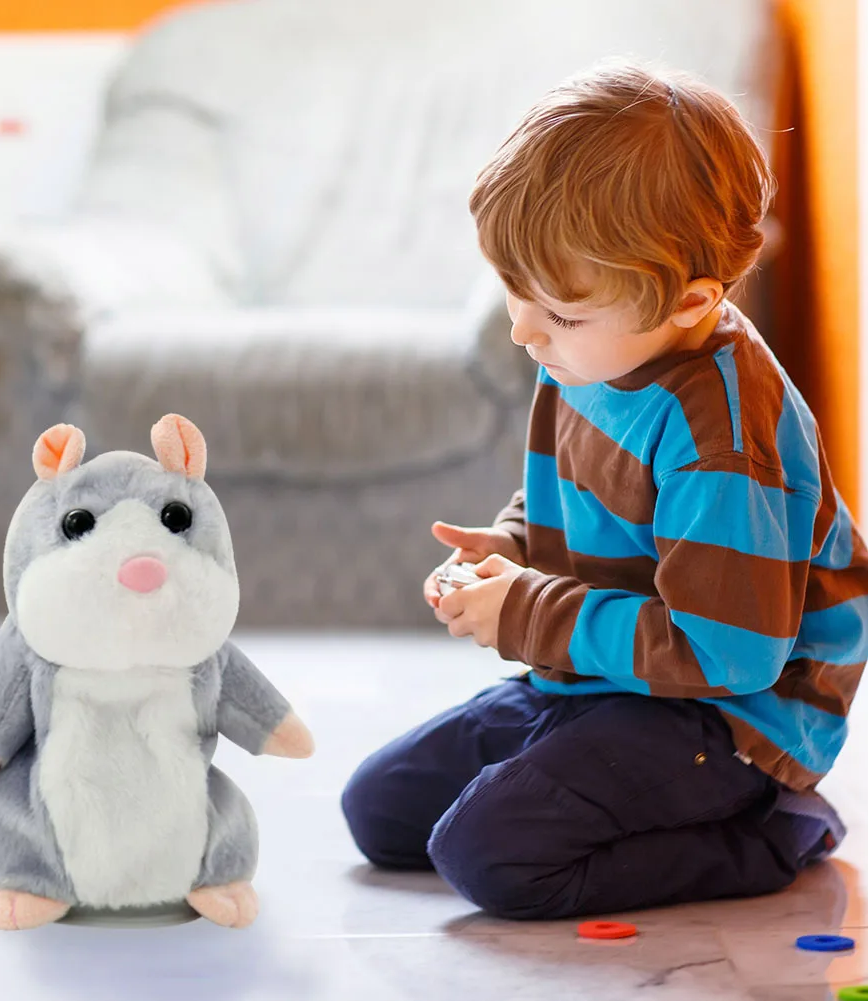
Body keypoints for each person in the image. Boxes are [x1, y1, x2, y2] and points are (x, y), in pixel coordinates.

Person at [341, 61, 868, 919]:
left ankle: (774, 829)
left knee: (488, 856)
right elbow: (577, 496)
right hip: (607, 675)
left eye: (557, 312)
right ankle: (585, 760)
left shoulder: (723, 443)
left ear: (690, 303)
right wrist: (513, 545)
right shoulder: (592, 348)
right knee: (382, 810)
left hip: (728, 721)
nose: (523, 330)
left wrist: (526, 611)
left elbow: (729, 655)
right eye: (512, 291)